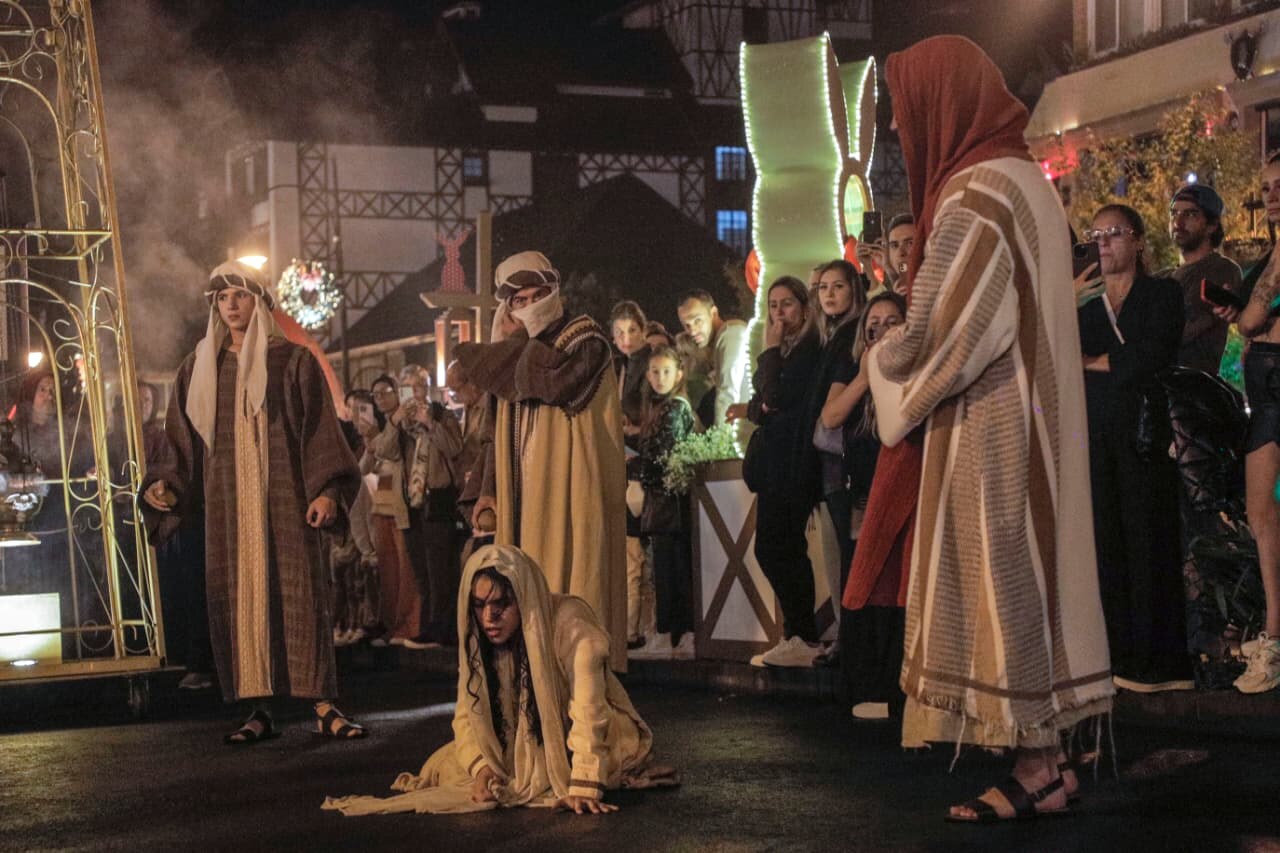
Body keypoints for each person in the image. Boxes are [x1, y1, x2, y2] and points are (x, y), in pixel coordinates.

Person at [864, 37, 1113, 822]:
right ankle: (1056, 760)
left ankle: (1037, 762)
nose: (907, 135)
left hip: (997, 430)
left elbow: (952, 328)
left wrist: (886, 363)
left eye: (910, 115)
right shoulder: (1026, 180)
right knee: (1034, 584)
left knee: (1007, 584)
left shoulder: (978, 193)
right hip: (1037, 421)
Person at [142, 260, 364, 744]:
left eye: (240, 296)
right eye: (222, 299)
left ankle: (324, 704)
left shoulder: (294, 361)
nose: (231, 306)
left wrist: (327, 490)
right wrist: (166, 485)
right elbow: (180, 443)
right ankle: (256, 709)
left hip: (286, 503)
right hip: (230, 510)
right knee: (240, 603)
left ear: (259, 302)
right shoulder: (199, 367)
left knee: (300, 598)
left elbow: (321, 435)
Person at [321, 545, 677, 817]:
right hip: (516, 743)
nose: (489, 617)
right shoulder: (478, 637)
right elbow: (465, 712)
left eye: (501, 604)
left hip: (588, 737)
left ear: (522, 598)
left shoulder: (569, 621)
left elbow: (589, 704)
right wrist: (482, 767)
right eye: (479, 605)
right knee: (447, 766)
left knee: (606, 759)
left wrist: (585, 777)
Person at [454, 251, 629, 672]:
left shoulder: (585, 340)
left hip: (572, 490)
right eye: (519, 300)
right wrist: (489, 490)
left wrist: (508, 346)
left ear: (554, 292)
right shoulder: (512, 358)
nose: (529, 305)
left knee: (574, 578)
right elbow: (496, 431)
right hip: (523, 497)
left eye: (537, 295)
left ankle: (582, 683)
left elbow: (552, 383)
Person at [1077, 204, 1191, 693]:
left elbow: (1149, 355)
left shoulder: (1162, 294)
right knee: (1108, 542)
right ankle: (1119, 655)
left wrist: (1094, 361)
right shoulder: (1084, 306)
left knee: (1150, 539)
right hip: (1098, 434)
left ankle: (1160, 661)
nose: (1104, 243)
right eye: (1097, 233)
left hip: (1146, 434)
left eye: (1115, 233)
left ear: (1139, 241)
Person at [823, 292, 907, 720]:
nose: (882, 328)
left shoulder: (913, 370)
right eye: (874, 322)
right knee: (861, 584)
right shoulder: (853, 367)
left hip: (899, 489)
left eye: (893, 321)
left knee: (894, 588)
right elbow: (831, 417)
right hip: (861, 493)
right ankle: (862, 682)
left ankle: (893, 687)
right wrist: (865, 373)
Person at [732, 276, 823, 668]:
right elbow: (762, 402)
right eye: (773, 305)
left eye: (787, 304)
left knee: (777, 547)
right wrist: (763, 404)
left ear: (804, 307)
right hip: (776, 466)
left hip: (793, 464)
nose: (779, 313)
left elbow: (775, 397)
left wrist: (769, 354)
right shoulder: (785, 352)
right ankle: (796, 635)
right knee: (776, 548)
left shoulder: (807, 350)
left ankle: (803, 636)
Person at [1232, 152, 1280, 694]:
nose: (1270, 195)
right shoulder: (1267, 254)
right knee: (1261, 512)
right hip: (1263, 391)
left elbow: (1251, 318)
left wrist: (1248, 313)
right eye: (1265, 187)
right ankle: (1272, 636)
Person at [803, 259, 867, 666]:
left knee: (844, 556)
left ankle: (850, 642)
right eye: (823, 287)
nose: (828, 294)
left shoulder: (849, 339)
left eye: (837, 286)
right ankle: (846, 638)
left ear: (854, 290)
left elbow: (831, 413)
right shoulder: (832, 337)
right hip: (832, 466)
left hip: (843, 464)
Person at [628, 346, 699, 660]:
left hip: (670, 501)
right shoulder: (659, 408)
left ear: (679, 374)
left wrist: (639, 470)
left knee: (673, 570)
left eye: (666, 371)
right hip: (661, 501)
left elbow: (664, 453)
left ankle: (677, 635)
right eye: (655, 372)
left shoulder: (675, 408)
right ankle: (670, 634)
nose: (660, 378)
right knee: (664, 570)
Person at [360, 374, 427, 648]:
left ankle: (408, 624)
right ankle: (390, 622)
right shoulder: (386, 425)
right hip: (382, 496)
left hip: (401, 495)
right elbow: (366, 466)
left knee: (404, 562)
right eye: (375, 394)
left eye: (385, 391)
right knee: (388, 563)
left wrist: (386, 430)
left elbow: (389, 450)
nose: (380, 398)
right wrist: (372, 439)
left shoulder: (402, 421)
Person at [611, 300, 656, 650]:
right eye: (620, 332)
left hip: (643, 463)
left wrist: (633, 428)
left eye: (631, 331)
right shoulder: (620, 366)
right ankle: (631, 626)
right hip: (625, 463)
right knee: (630, 553)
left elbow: (653, 409)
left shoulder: (649, 364)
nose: (626, 338)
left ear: (643, 330)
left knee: (641, 553)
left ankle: (643, 627)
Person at [1162, 184, 1243, 374]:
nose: (1178, 222)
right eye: (1174, 213)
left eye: (1190, 214)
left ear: (1212, 226)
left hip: (1192, 389)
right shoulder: (1162, 277)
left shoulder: (1221, 269)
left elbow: (1182, 330)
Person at [675, 290, 750, 431]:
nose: (692, 331)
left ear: (713, 313)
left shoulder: (731, 333)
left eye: (697, 321)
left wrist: (719, 442)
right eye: (687, 325)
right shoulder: (721, 340)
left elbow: (727, 392)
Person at [856, 214, 916, 297]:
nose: (901, 252)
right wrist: (867, 265)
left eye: (910, 243)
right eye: (894, 245)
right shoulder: (899, 287)